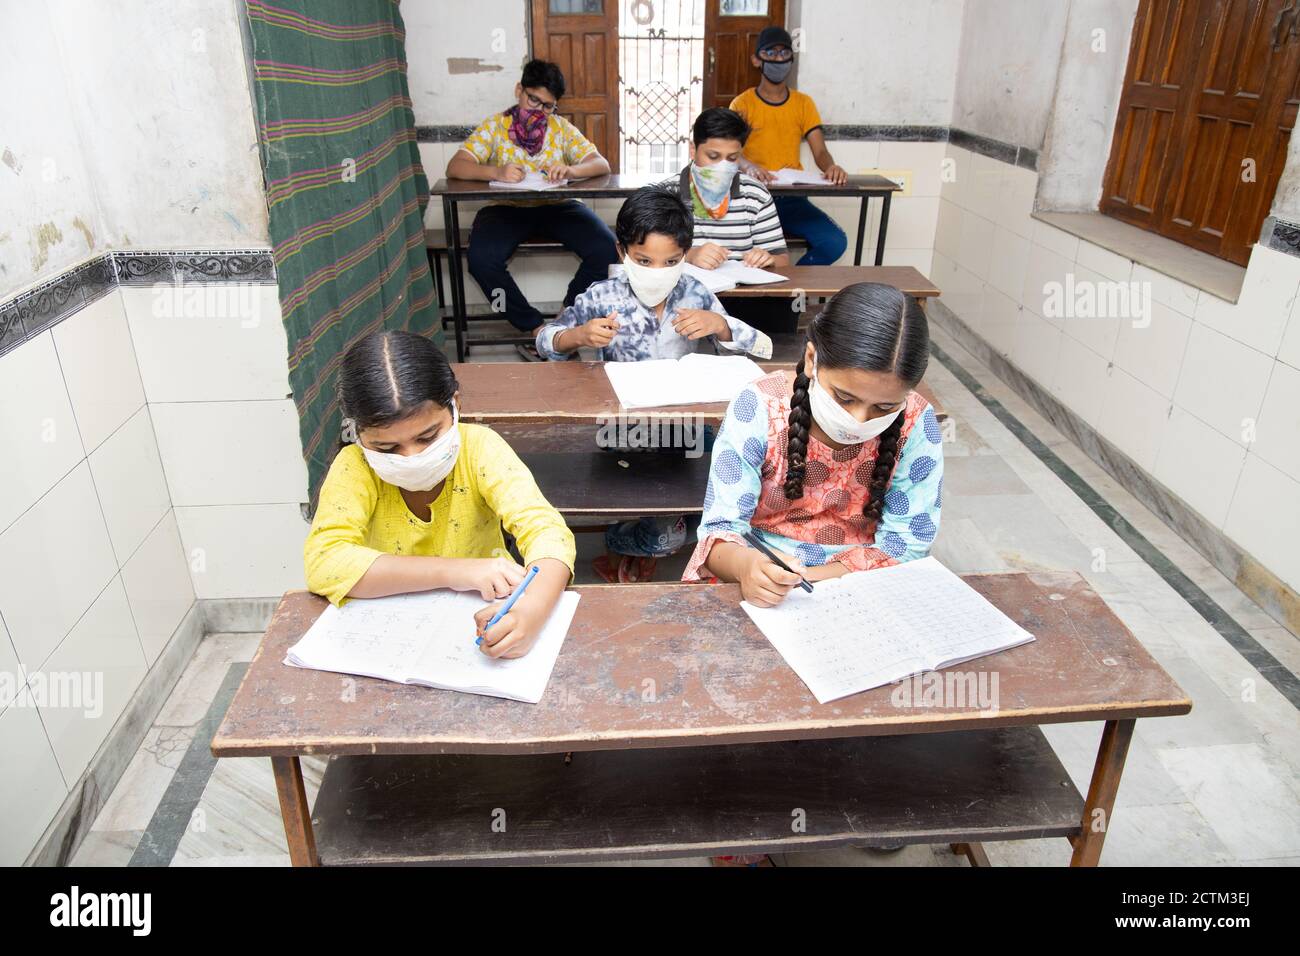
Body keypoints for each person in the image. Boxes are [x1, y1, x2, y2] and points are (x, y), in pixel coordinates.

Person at [536, 186, 771, 583]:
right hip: (624, 430)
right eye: (644, 260)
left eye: (671, 261)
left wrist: (722, 326)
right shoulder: (602, 295)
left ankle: (682, 527)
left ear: (685, 256)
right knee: (664, 533)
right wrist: (577, 336)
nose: (657, 272)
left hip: (689, 427)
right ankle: (625, 536)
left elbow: (760, 347)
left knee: (744, 481)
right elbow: (545, 340)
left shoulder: (696, 292)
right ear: (621, 251)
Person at [304, 330, 575, 658]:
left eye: (428, 437)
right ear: (358, 433)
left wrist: (530, 612)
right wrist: (455, 571)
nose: (411, 457)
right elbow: (324, 563)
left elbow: (547, 532)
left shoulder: (479, 448)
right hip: (389, 635)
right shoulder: (355, 466)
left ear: (455, 405)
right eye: (386, 447)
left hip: (480, 615)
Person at [682, 282, 942, 607]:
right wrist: (748, 566)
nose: (859, 420)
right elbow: (720, 531)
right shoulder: (760, 407)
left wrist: (815, 579)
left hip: (868, 582)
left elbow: (908, 544)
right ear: (810, 359)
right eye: (845, 397)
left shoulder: (916, 423)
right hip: (760, 576)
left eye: (885, 407)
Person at [446, 59, 619, 358]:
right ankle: (536, 329)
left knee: (606, 248)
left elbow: (600, 164)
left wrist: (570, 170)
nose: (538, 110)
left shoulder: (561, 129)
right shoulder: (495, 126)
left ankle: (566, 321)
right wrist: (496, 172)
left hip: (557, 205)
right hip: (507, 208)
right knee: (481, 259)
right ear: (519, 90)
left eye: (548, 106)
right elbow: (455, 167)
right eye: (533, 99)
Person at [729, 26, 849, 266]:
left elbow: (820, 151)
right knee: (740, 251)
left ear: (791, 60)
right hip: (754, 198)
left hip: (792, 198)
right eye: (770, 53)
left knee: (835, 241)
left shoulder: (803, 103)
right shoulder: (743, 103)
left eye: (784, 53)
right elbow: (731, 152)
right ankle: (758, 300)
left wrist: (832, 167)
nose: (778, 59)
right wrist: (749, 166)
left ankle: (790, 294)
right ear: (756, 59)